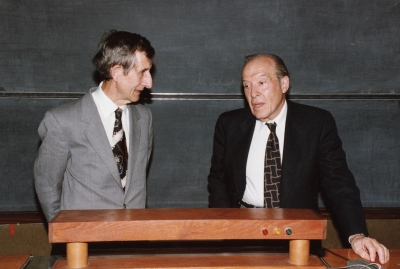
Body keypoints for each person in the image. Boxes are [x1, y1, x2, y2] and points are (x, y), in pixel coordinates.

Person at [207, 53, 390, 264]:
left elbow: (338, 183)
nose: (253, 93)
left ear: (284, 83)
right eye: (246, 86)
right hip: (241, 236)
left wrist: (357, 234)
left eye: (261, 83)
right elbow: (217, 180)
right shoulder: (229, 125)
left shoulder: (316, 123)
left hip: (298, 239)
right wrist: (227, 227)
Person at [34, 30, 155, 223]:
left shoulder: (144, 117)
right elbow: (46, 184)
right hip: (83, 245)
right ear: (116, 72)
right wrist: (66, 233)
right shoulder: (63, 120)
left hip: (133, 242)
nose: (149, 82)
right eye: (142, 72)